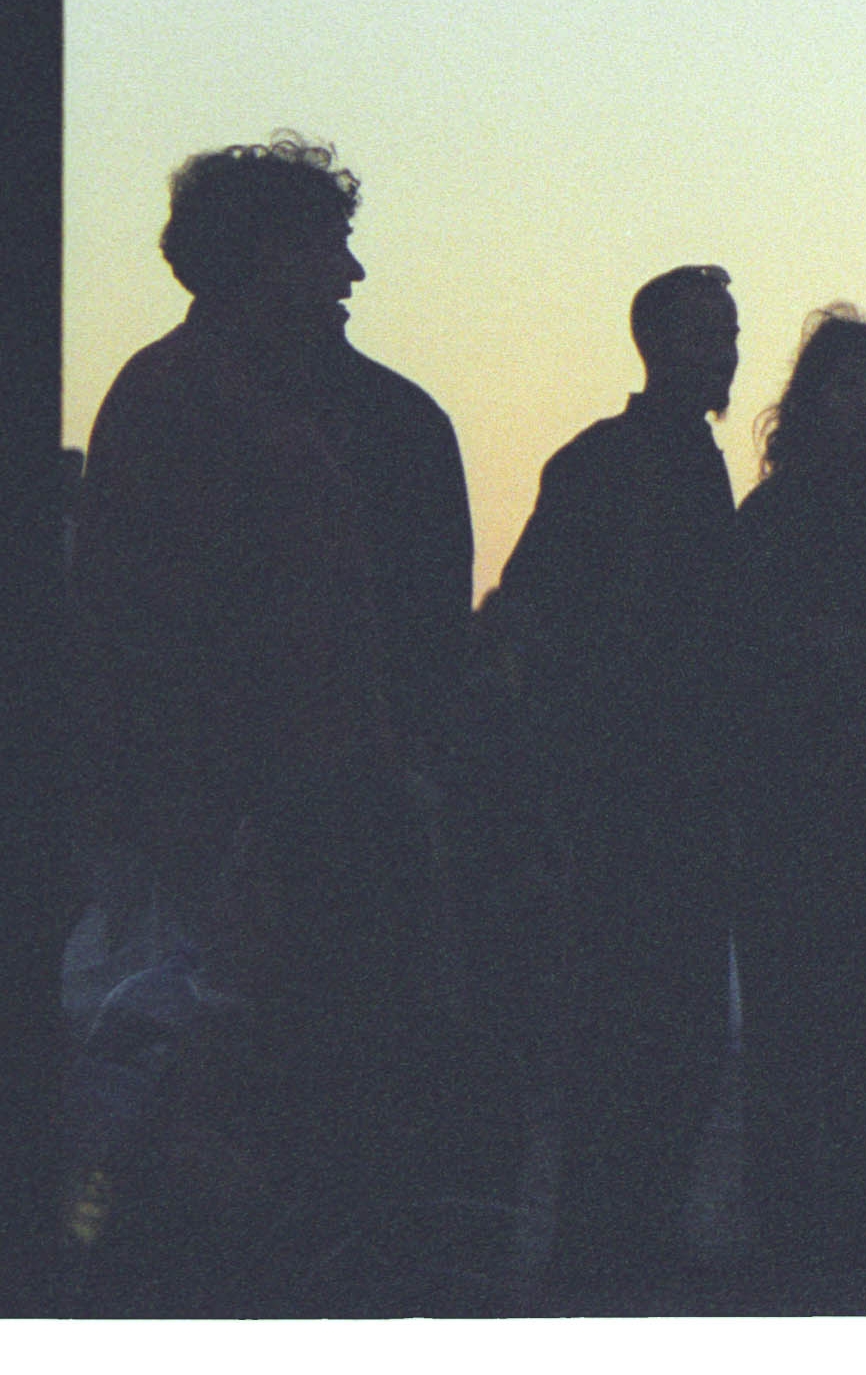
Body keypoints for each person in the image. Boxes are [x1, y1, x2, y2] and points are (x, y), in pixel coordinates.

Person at [62, 138, 471, 1301]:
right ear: (265, 256)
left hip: (294, 807)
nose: (351, 271)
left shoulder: (228, 394)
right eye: (328, 245)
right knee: (238, 1090)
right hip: (253, 819)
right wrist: (220, 818)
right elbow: (161, 639)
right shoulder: (190, 403)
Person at [478, 262, 745, 1301]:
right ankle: (610, 1245)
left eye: (729, 332)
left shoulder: (669, 463)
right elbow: (527, 618)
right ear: (654, 343)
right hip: (630, 802)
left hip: (663, 796)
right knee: (639, 1031)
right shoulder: (615, 465)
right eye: (706, 332)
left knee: (663, 1034)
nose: (723, 351)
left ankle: (625, 1240)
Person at [729, 307, 866, 1280]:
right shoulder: (777, 518)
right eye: (844, 385)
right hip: (795, 806)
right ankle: (788, 1222)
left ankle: (856, 1210)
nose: (861, 404)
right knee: (794, 1019)